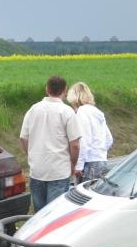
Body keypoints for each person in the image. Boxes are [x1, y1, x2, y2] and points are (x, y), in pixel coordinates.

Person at [19, 76, 81, 213]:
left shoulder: (33, 110)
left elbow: (23, 138)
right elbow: (75, 144)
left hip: (37, 170)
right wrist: (73, 163)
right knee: (54, 215)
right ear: (64, 91)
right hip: (59, 170)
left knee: (39, 215)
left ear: (46, 89)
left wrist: (32, 154)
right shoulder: (67, 112)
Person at [66, 82, 113, 183]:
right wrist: (99, 151)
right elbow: (109, 139)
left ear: (74, 97)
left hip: (89, 164)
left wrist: (78, 166)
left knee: (84, 195)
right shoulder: (97, 112)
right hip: (102, 161)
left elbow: (83, 141)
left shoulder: (82, 112)